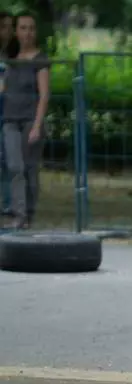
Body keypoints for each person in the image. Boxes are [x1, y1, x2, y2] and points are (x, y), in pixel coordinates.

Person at [2, 12, 49, 231]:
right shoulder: (10, 58)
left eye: (30, 28)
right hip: (10, 119)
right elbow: (4, 87)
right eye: (22, 28)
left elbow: (44, 95)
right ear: (16, 31)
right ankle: (19, 214)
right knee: (14, 166)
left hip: (30, 120)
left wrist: (38, 125)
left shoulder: (40, 59)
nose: (27, 33)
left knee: (29, 168)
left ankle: (28, 214)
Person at [0, 12, 13, 217]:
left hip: (8, 112)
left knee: (8, 159)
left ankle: (7, 204)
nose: (8, 31)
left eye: (11, 26)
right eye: (3, 26)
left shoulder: (12, 54)